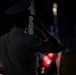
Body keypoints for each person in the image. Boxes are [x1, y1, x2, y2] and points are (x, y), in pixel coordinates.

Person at [0, 1, 62, 75]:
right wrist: (42, 28)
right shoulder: (30, 40)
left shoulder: (2, 40)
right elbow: (57, 47)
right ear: (26, 19)